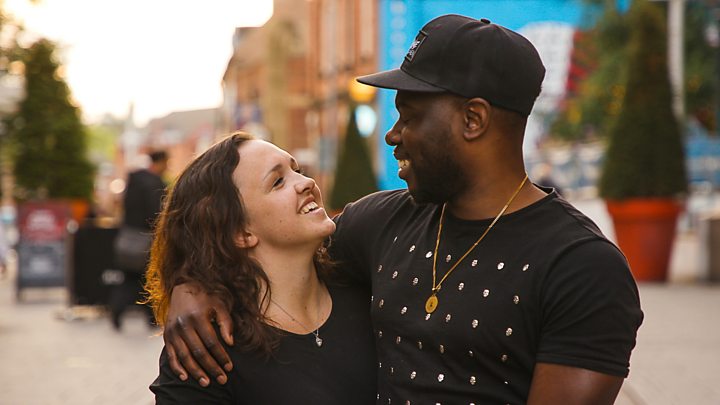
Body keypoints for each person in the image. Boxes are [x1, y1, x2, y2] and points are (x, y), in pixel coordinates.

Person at [161, 14, 643, 404]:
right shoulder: (383, 222)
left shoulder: (581, 267)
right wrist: (192, 287)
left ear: (472, 120)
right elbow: (255, 244)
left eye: (409, 117)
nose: (392, 135)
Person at [147, 132, 377, 404]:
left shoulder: (368, 286)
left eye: (297, 170)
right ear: (239, 232)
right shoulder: (207, 350)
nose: (307, 183)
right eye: (278, 181)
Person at [109, 150, 168, 330]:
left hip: (127, 238)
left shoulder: (133, 181)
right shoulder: (154, 183)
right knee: (148, 278)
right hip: (145, 240)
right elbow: (156, 215)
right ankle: (152, 318)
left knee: (130, 278)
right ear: (160, 162)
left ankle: (118, 312)